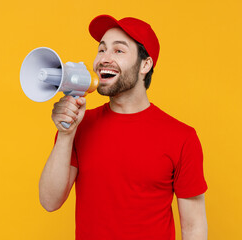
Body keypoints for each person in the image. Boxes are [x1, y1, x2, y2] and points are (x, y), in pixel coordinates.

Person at [39, 15, 208, 240]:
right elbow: (49, 201)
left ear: (145, 65)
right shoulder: (80, 126)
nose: (104, 59)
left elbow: (195, 227)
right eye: (101, 50)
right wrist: (65, 134)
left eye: (119, 51)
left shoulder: (182, 137)